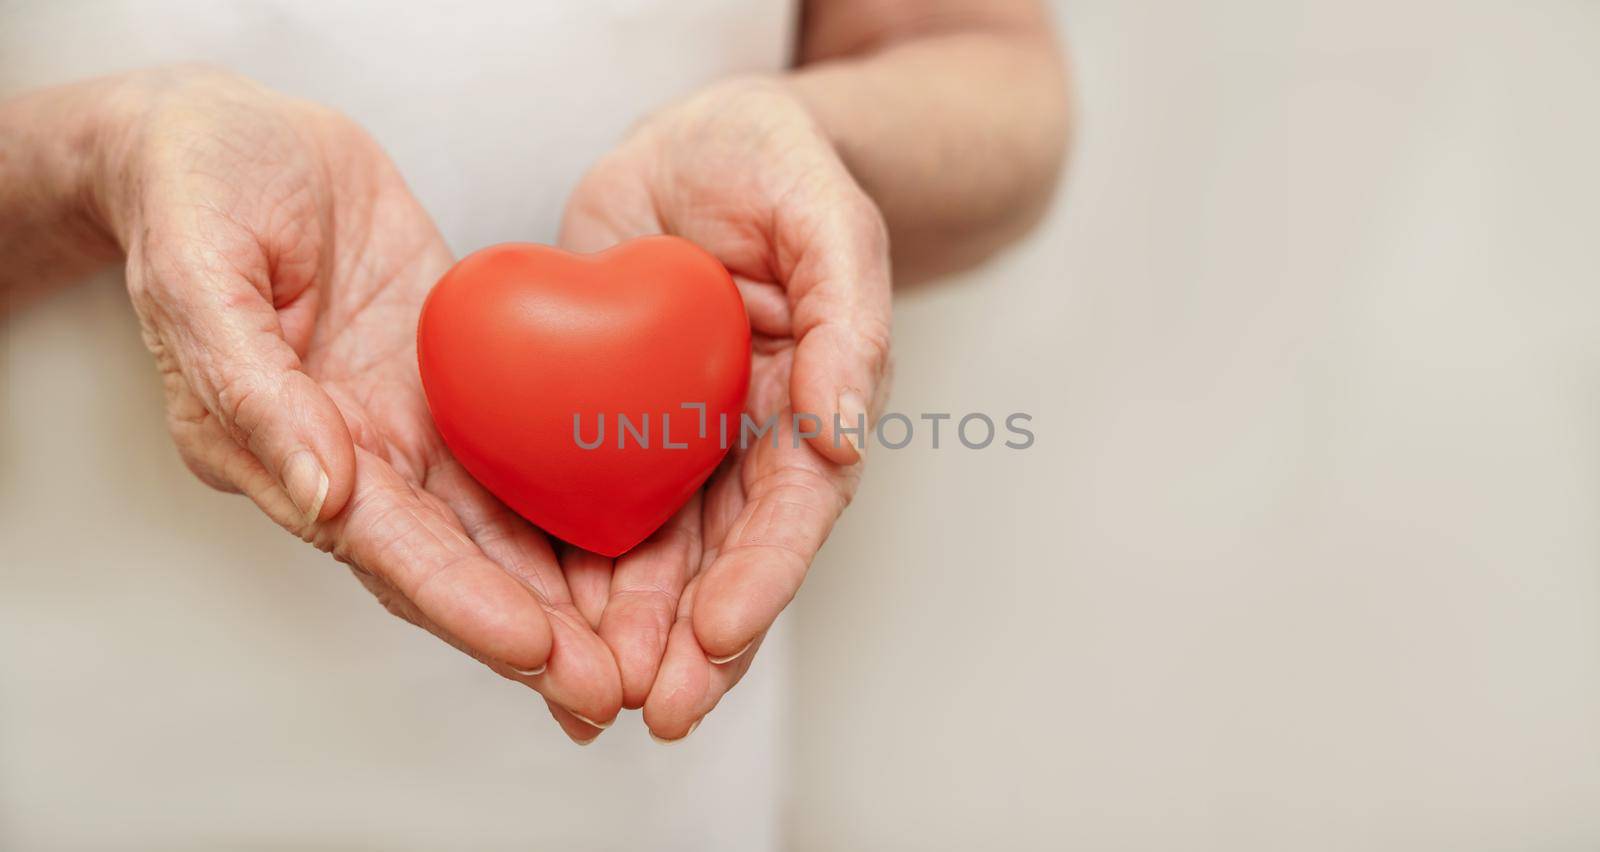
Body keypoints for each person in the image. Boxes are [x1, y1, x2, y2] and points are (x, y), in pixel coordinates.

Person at [1, 0, 1067, 756]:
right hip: (75, 703)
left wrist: (813, 140)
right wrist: (89, 163)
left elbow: (987, 66)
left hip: (655, 728)